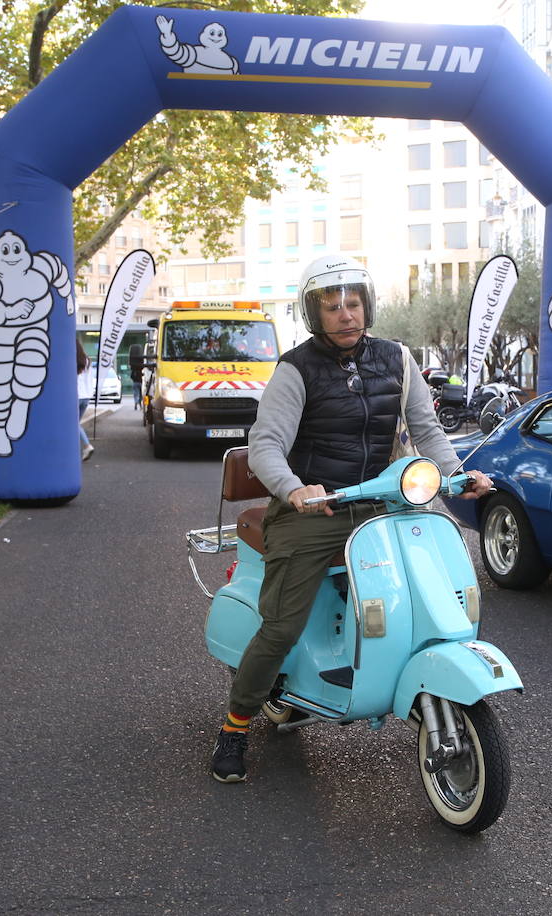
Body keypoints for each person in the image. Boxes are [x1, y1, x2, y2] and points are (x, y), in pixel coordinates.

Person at [209, 254, 494, 784]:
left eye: (354, 303)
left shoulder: (397, 358)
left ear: (368, 305)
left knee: (426, 586)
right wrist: (296, 491)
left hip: (383, 500)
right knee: (281, 625)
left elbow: (427, 431)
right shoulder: (295, 368)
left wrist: (458, 474)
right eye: (333, 305)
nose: (346, 314)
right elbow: (266, 445)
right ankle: (235, 726)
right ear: (315, 313)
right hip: (317, 508)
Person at [76, 339, 95, 461]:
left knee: (73, 424)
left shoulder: (70, 359)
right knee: (75, 423)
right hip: (86, 396)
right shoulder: (87, 361)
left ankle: (87, 446)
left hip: (76, 396)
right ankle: (77, 449)